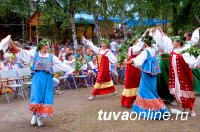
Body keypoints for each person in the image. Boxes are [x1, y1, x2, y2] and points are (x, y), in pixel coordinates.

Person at [9, 38, 74, 126]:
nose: (48, 46)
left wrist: (70, 69)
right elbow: (22, 51)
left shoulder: (51, 57)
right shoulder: (34, 54)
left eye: (48, 44)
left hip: (47, 78)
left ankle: (39, 116)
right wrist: (12, 46)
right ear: (41, 46)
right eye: (46, 44)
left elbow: (60, 64)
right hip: (37, 78)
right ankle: (34, 115)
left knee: (44, 97)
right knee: (36, 96)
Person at [124, 34, 168, 120]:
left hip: (147, 75)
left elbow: (137, 61)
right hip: (153, 75)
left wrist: (126, 62)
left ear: (145, 43)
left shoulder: (145, 52)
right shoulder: (153, 49)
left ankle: (154, 111)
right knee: (152, 91)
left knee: (145, 90)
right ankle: (157, 109)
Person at [169, 36, 197, 117]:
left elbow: (191, 62)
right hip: (175, 76)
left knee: (186, 90)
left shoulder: (184, 51)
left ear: (178, 43)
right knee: (178, 91)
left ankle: (191, 109)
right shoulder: (173, 50)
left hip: (183, 75)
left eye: (174, 41)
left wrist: (195, 65)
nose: (172, 43)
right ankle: (184, 107)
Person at [152, 27, 176, 105]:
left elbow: (165, 38)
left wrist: (161, 31)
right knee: (163, 79)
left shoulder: (167, 41)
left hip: (168, 61)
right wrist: (156, 33)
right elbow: (160, 44)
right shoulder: (160, 43)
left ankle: (171, 97)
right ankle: (165, 97)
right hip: (163, 61)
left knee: (170, 79)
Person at [121, 37, 141, 107]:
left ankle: (135, 100)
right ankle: (129, 101)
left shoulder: (138, 48)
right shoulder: (134, 48)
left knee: (136, 81)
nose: (139, 41)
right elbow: (128, 57)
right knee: (131, 82)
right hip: (132, 66)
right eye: (137, 40)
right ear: (134, 41)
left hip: (136, 66)